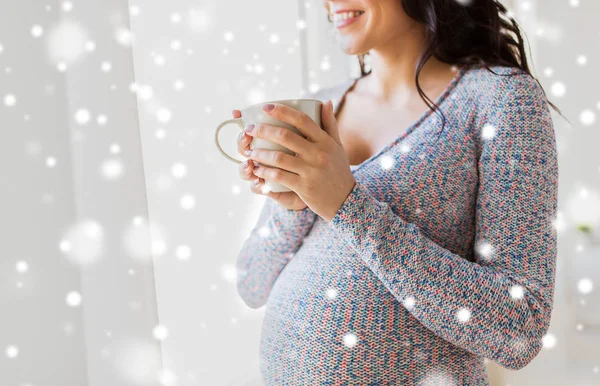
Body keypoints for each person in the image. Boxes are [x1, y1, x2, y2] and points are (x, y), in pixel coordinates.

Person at [234, 0, 562, 384]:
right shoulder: (319, 109)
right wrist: (295, 201)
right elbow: (252, 284)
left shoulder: (501, 98)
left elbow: (519, 330)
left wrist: (348, 205)